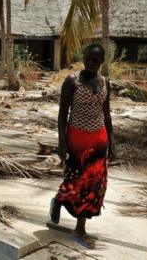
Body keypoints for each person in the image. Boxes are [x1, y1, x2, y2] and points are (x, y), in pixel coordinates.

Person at [49, 44, 116, 249]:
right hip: (77, 140)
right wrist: (62, 143)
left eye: (96, 60)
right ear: (83, 58)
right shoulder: (72, 81)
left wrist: (112, 142)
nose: (91, 62)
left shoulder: (105, 83)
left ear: (101, 61)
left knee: (94, 186)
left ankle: (80, 229)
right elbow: (62, 114)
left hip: (99, 140)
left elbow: (106, 114)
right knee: (76, 180)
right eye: (88, 58)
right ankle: (59, 200)